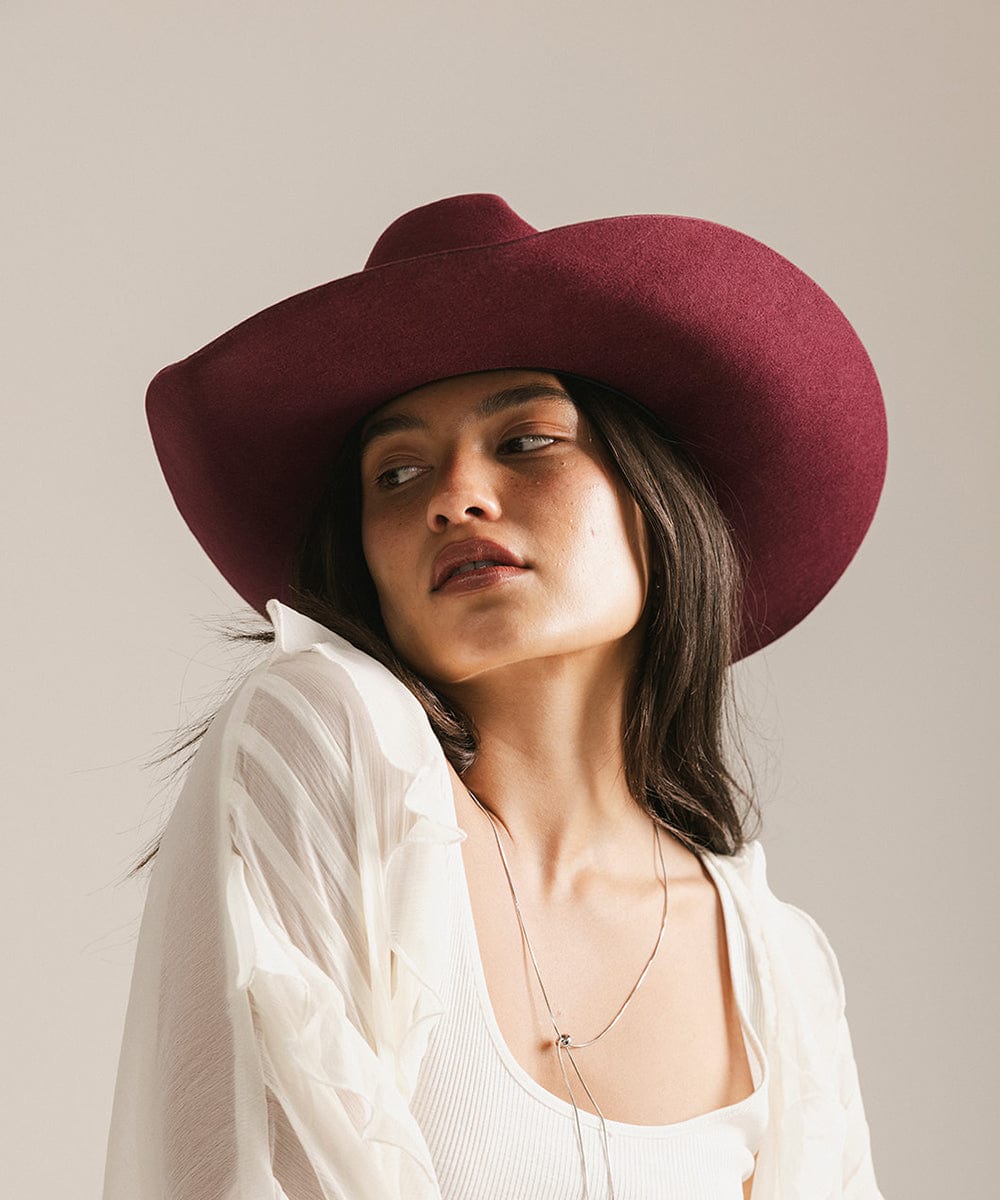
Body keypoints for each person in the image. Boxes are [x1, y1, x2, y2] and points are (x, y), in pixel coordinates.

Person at [102, 194, 887, 1200]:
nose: (451, 496)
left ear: (657, 504)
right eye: (396, 472)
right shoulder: (329, 738)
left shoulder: (779, 974)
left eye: (525, 442)